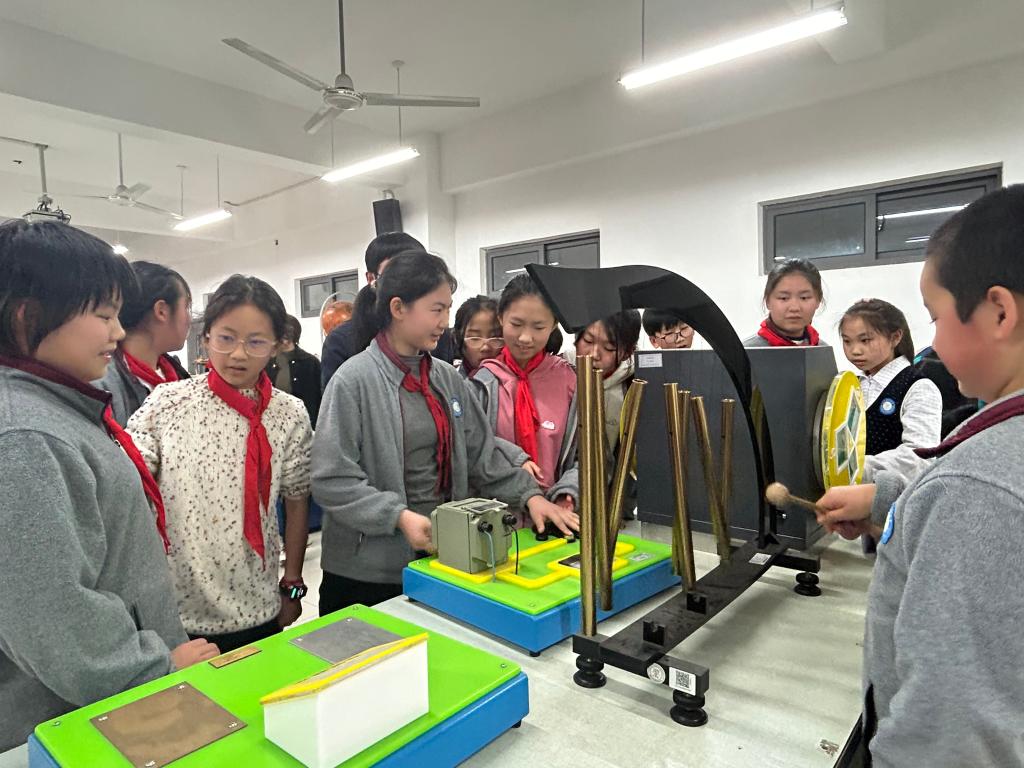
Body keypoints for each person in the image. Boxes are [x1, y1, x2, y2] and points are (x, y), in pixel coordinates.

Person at [816, 185, 1024, 767]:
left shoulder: (976, 490)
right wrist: (890, 500)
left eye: (936, 317)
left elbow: (950, 726)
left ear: (999, 312)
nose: (933, 339)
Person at [0, 221, 217, 751]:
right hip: (76, 719)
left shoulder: (58, 408)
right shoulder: (23, 436)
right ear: (28, 317)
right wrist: (155, 667)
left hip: (105, 704)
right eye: (103, 315)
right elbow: (51, 614)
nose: (118, 332)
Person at [313, 251, 577, 614]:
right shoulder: (353, 381)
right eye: (436, 309)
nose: (445, 322)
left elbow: (480, 454)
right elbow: (331, 479)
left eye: (448, 309)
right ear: (398, 308)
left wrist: (530, 496)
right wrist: (398, 516)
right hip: (367, 574)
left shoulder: (446, 379)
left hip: (440, 557)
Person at [128, 275, 313, 653]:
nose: (238, 354)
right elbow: (128, 480)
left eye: (256, 342)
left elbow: (297, 502)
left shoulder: (289, 413)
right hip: (179, 616)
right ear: (206, 337)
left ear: (277, 344)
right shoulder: (167, 402)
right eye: (226, 338)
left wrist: (293, 586)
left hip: (259, 607)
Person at [471, 274, 579, 510]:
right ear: (501, 318)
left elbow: (587, 454)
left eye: (538, 327)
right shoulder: (482, 384)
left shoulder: (570, 382)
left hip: (556, 517)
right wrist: (514, 458)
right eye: (516, 324)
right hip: (496, 518)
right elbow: (474, 448)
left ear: (554, 325)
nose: (525, 338)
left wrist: (569, 491)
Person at [320, 232, 455, 388]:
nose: (411, 282)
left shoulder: (438, 335)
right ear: (371, 279)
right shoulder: (342, 342)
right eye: (397, 273)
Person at [839, 299, 942, 483]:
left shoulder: (919, 387)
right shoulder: (849, 385)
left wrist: (853, 468)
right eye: (847, 341)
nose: (855, 350)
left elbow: (920, 457)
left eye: (865, 340)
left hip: (894, 497)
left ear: (895, 337)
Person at [95, 260, 192, 425]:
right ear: (161, 311)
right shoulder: (104, 387)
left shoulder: (178, 376)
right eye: (187, 307)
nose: (190, 319)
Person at [743, 259, 827, 347]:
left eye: (804, 298)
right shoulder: (747, 351)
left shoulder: (823, 350)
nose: (794, 308)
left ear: (818, 300)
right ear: (767, 301)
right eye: (784, 298)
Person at [266, 314, 322, 426]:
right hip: (271, 423)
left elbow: (318, 399)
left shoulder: (310, 363)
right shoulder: (265, 361)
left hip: (305, 423)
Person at [452, 295, 503, 378]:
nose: (486, 348)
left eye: (495, 337)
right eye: (475, 338)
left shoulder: (517, 381)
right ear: (457, 338)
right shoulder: (450, 382)